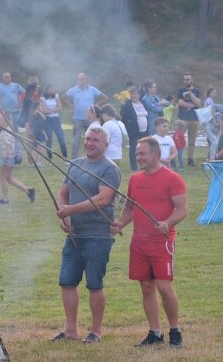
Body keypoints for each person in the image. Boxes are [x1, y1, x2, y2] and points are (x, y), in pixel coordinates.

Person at [111, 137, 188, 348]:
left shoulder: (172, 178)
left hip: (161, 242)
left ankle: (175, 331)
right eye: (137, 154)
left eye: (142, 154)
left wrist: (168, 223)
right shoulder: (135, 179)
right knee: (146, 287)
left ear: (156, 154)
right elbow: (129, 208)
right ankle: (155, 332)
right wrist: (120, 225)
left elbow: (182, 209)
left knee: (164, 287)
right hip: (139, 242)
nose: (139, 157)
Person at [52, 126, 121, 344]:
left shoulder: (109, 169)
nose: (90, 143)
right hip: (75, 235)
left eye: (95, 141)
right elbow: (63, 193)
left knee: (94, 283)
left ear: (106, 145)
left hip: (98, 234)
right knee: (67, 281)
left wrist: (70, 210)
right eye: (88, 139)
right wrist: (63, 215)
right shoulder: (75, 164)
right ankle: (71, 330)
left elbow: (102, 199)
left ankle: (95, 331)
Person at [63, 73, 108, 159]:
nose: (80, 81)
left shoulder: (92, 89)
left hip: (90, 118)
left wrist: (96, 106)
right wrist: (70, 105)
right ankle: (74, 159)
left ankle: (91, 156)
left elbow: (104, 97)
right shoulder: (74, 90)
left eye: (81, 79)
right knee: (76, 140)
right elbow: (63, 97)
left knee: (92, 138)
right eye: (78, 79)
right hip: (77, 118)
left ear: (86, 79)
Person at [0, 113, 34, 205]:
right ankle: (29, 192)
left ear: (5, 120)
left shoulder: (8, 131)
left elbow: (8, 146)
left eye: (0, 119)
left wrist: (8, 160)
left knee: (3, 179)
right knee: (9, 179)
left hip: (7, 157)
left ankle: (5, 200)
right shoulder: (4, 130)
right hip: (7, 157)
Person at [177, 72, 202, 166]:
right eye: (184, 79)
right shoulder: (180, 90)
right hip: (183, 118)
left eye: (188, 79)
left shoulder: (197, 91)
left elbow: (199, 104)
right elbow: (181, 103)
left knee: (192, 141)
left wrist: (191, 94)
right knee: (179, 139)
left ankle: (190, 159)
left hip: (194, 119)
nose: (186, 81)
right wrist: (192, 105)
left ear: (192, 80)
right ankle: (177, 158)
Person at [121, 88, 149, 171]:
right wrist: (128, 127)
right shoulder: (127, 105)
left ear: (139, 95)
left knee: (144, 148)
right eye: (132, 94)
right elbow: (123, 118)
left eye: (135, 94)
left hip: (144, 130)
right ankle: (134, 168)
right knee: (133, 148)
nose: (133, 96)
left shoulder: (143, 103)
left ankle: (143, 165)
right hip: (134, 131)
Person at [39, 85, 67, 157]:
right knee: (49, 139)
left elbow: (60, 107)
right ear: (47, 90)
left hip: (56, 119)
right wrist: (54, 109)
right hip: (47, 120)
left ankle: (65, 156)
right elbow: (44, 111)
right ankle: (50, 158)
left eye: (53, 90)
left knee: (61, 138)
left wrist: (50, 110)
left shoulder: (56, 96)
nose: (52, 91)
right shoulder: (42, 98)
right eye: (50, 90)